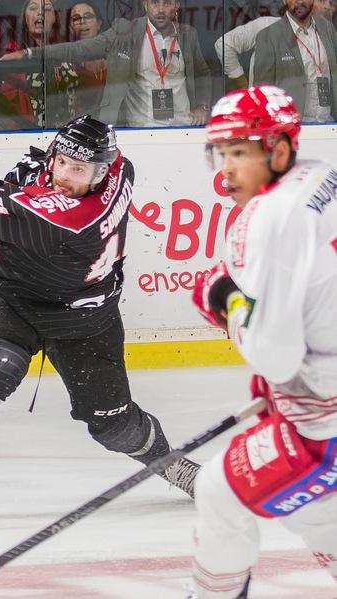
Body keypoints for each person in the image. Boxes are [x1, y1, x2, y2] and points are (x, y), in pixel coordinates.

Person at [0, 116, 199, 521]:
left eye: (78, 169)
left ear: (101, 173)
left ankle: (169, 463)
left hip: (85, 321)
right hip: (17, 300)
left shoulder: (77, 215)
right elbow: (21, 194)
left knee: (113, 426)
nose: (64, 175)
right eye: (61, 161)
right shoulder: (119, 166)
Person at [189, 85, 337, 598]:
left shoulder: (269, 218)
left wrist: (226, 300)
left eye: (239, 153)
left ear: (279, 148)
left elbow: (275, 355)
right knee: (318, 515)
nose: (225, 170)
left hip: (322, 429)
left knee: (218, 492)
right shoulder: (321, 176)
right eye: (221, 152)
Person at [2, 0, 211, 128]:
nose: (161, 9)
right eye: (155, 2)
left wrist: (202, 106)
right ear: (145, 5)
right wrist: (30, 53)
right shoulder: (124, 32)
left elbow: (203, 72)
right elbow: (77, 50)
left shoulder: (188, 35)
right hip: (139, 129)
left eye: (167, 3)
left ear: (177, 5)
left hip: (182, 127)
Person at [253, 0, 337, 122]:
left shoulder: (327, 28)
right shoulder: (269, 36)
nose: (299, 1)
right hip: (292, 127)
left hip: (329, 125)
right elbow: (262, 94)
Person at [0, 0, 78, 128]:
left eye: (46, 9)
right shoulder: (11, 54)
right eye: (33, 8)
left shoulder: (67, 51)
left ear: (55, 18)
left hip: (65, 133)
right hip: (26, 133)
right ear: (25, 18)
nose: (40, 13)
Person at [67, 1, 108, 116]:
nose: (82, 22)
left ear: (99, 23)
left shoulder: (116, 59)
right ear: (70, 28)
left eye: (88, 17)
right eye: (76, 18)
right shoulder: (64, 65)